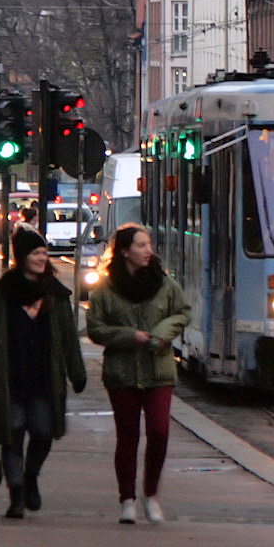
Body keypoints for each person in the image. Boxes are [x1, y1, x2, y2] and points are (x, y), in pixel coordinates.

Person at [0, 228, 87, 518]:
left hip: (45, 379)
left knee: (44, 432)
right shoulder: (0, 295)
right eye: (36, 253)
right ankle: (17, 494)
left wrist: (77, 373)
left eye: (44, 253)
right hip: (8, 379)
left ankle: (31, 475)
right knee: (12, 434)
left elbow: (69, 339)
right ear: (22, 257)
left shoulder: (56, 296)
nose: (42, 258)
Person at [86, 224, 192, 526]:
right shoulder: (105, 289)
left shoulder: (164, 284)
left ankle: (151, 494)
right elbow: (96, 329)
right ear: (124, 252)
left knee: (159, 432)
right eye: (142, 246)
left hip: (159, 370)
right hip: (122, 373)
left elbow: (182, 313)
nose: (149, 251)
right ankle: (127, 499)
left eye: (149, 245)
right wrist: (129, 336)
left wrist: (160, 334)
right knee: (128, 436)